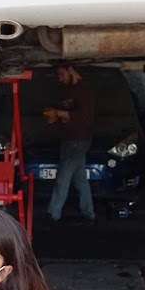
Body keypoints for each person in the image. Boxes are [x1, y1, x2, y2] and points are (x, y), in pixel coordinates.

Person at [43, 64, 96, 223]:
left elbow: (82, 116)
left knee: (63, 177)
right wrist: (55, 117)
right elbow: (66, 115)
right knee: (80, 179)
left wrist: (57, 113)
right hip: (67, 140)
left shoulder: (85, 90)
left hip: (79, 141)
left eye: (62, 75)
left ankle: (53, 213)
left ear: (71, 70)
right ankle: (88, 212)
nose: (60, 79)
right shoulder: (67, 90)